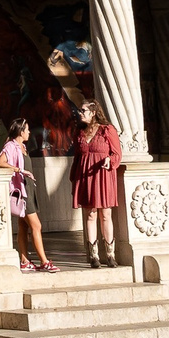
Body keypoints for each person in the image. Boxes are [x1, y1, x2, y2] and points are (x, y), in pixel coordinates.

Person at [71, 98, 124, 267]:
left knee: (105, 214)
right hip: (85, 176)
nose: (80, 113)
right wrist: (74, 178)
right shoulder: (79, 132)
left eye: (83, 111)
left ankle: (110, 255)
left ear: (93, 113)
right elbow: (77, 157)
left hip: (102, 175)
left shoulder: (107, 130)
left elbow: (117, 154)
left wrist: (110, 160)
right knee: (90, 213)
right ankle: (94, 255)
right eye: (80, 111)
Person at [0, 118, 55, 273]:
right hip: (22, 192)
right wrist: (18, 170)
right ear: (21, 131)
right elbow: (1, 162)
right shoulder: (11, 146)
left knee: (23, 226)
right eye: (27, 129)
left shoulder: (22, 147)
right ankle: (44, 261)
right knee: (36, 225)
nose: (29, 132)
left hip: (28, 188)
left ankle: (24, 260)